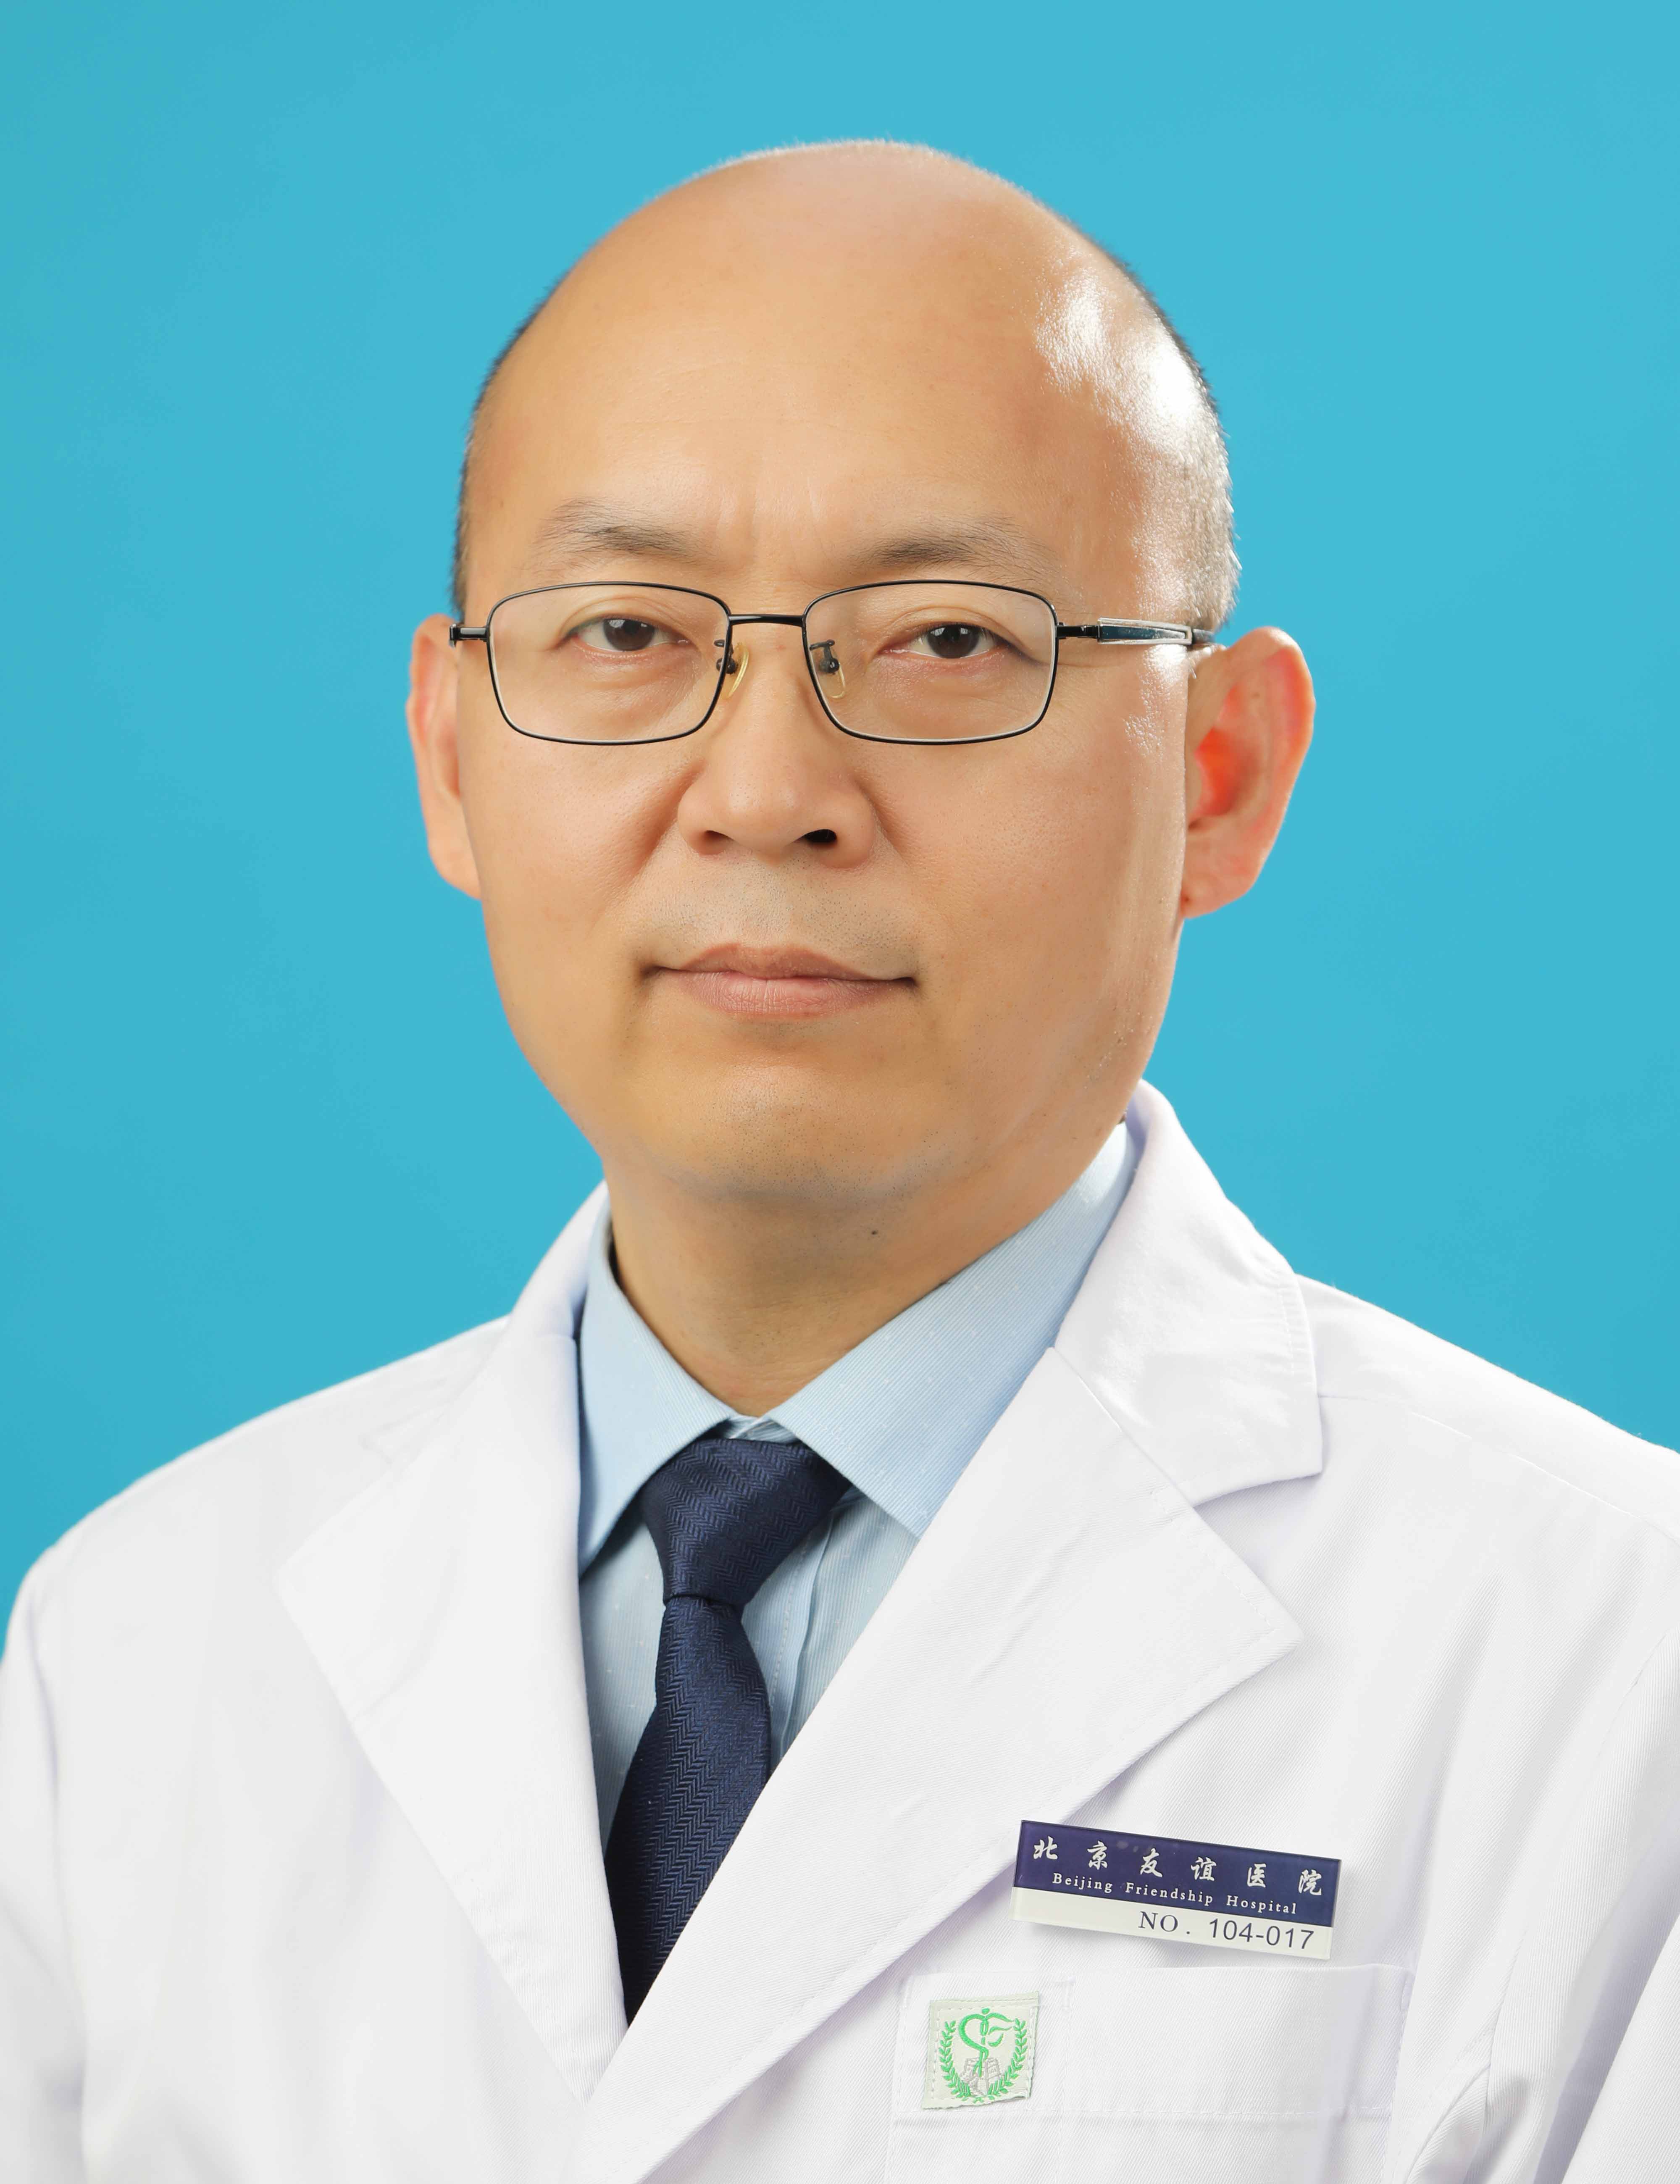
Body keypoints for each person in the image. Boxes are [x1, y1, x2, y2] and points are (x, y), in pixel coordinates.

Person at [1, 141, 1675, 2184]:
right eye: (626, 627)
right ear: (449, 754)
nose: (767, 790)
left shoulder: (1612, 1669)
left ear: (1219, 774)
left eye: (949, 640)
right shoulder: (136, 1648)